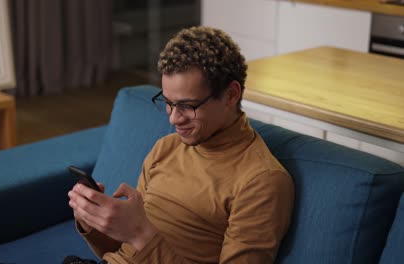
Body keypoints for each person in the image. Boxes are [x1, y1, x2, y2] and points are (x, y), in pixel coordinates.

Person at [67, 26, 294, 264]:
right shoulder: (166, 148)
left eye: (188, 105)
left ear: (231, 95)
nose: (173, 118)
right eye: (168, 102)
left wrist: (139, 233)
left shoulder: (261, 180)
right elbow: (126, 252)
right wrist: (93, 221)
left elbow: (142, 241)